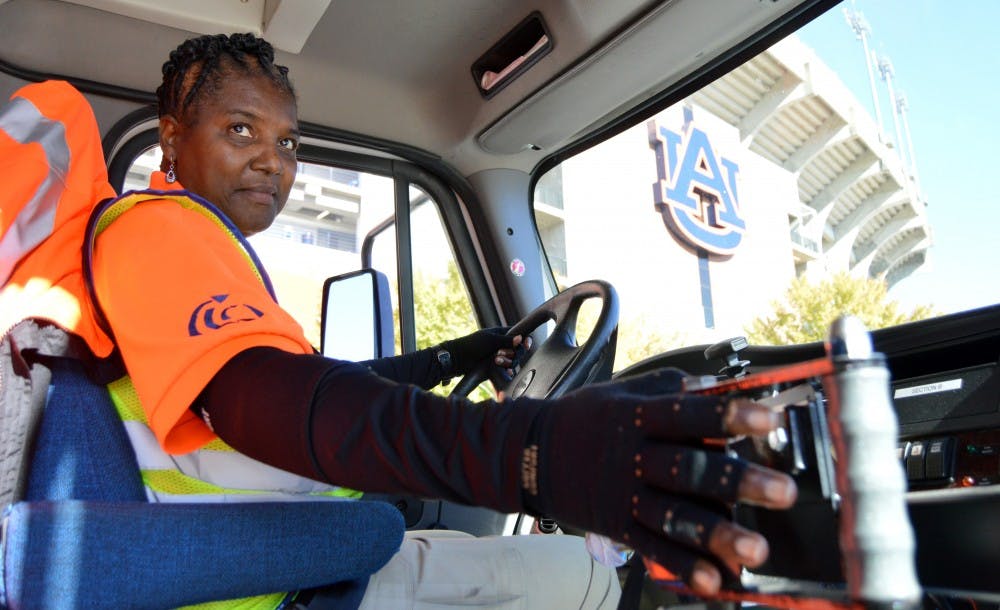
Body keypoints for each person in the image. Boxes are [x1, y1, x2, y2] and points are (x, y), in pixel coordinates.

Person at [8, 33, 798, 609]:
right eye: (240, 130)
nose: (273, 161)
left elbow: (294, 387)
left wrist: (454, 357)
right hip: (261, 580)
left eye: (287, 141)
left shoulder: (189, 246)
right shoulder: (161, 231)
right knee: (593, 579)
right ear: (171, 142)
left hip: (276, 553)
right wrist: (531, 451)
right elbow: (252, 397)